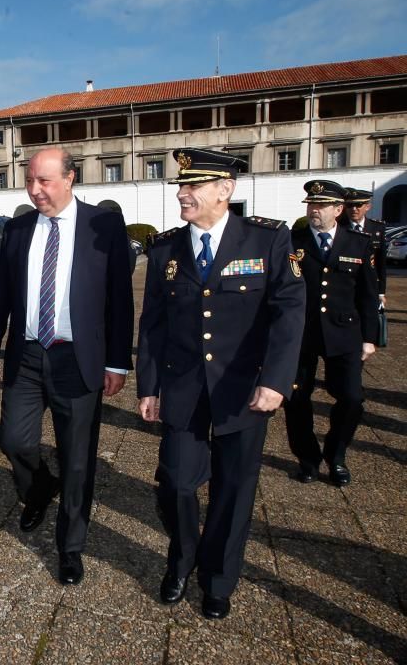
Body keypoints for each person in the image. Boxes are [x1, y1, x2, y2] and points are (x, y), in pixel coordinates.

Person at [137, 148, 305, 620]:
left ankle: (217, 579)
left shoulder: (267, 239)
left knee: (233, 491)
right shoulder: (166, 248)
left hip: (245, 390)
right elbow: (153, 324)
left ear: (224, 190)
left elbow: (289, 313)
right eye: (180, 186)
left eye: (193, 186)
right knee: (175, 483)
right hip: (183, 388)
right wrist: (148, 387)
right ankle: (183, 556)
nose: (182, 194)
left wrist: (276, 380)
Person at [0, 148, 134, 586]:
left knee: (78, 460)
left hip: (77, 357)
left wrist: (118, 361)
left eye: (44, 181)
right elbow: (2, 298)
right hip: (27, 354)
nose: (34, 189)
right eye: (30, 180)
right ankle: (39, 489)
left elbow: (120, 300)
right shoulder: (18, 228)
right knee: (13, 440)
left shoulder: (103, 226)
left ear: (70, 179)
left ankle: (70, 547)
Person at [283, 180, 379, 488]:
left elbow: (367, 293)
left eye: (321, 206)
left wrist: (369, 337)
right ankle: (307, 458)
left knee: (351, 398)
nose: (314, 210)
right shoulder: (291, 241)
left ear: (338, 209)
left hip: (344, 332)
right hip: (301, 334)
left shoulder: (358, 242)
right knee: (297, 398)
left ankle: (336, 456)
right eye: (311, 205)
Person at [340, 187, 387, 306]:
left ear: (367, 207)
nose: (354, 209)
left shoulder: (377, 228)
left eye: (359, 205)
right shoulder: (338, 227)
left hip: (369, 284)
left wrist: (381, 292)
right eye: (350, 205)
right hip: (345, 284)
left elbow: (380, 262)